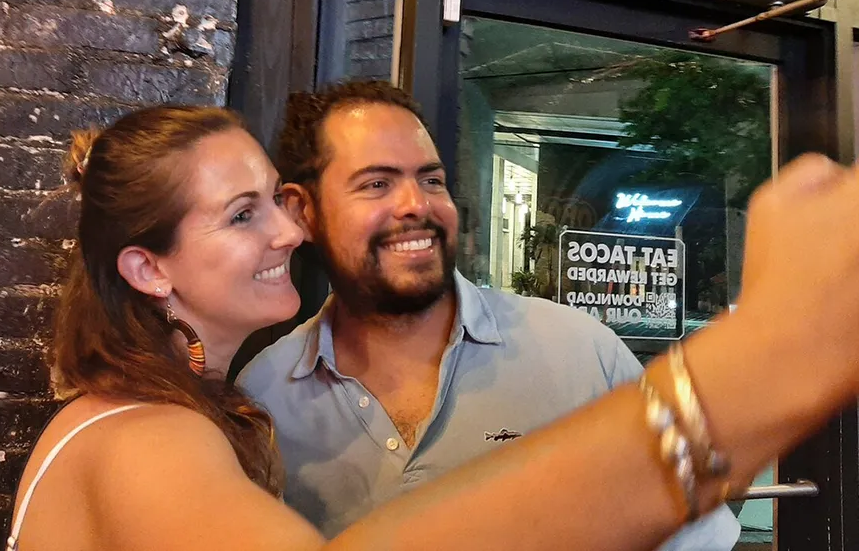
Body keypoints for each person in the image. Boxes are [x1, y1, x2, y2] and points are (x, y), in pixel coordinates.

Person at [8, 103, 859, 551]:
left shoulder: (195, 410)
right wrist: (763, 362)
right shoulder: (144, 433)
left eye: (274, 199)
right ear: (148, 268)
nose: (286, 232)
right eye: (242, 214)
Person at [236, 81, 739, 547]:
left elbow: (697, 536)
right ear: (303, 212)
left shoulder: (580, 351)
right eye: (376, 185)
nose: (417, 204)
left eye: (431, 180)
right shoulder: (264, 398)